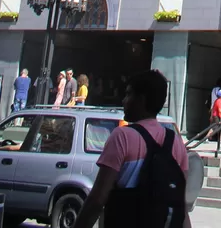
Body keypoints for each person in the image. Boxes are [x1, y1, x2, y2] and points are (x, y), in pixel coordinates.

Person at [71, 68, 188, 228]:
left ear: (141, 99)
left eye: (128, 94)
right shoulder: (176, 142)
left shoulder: (122, 136)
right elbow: (181, 203)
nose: (124, 101)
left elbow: (98, 199)